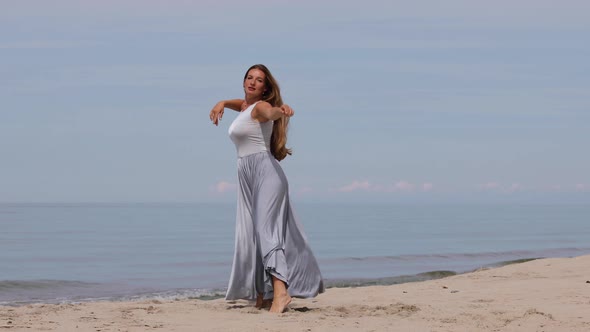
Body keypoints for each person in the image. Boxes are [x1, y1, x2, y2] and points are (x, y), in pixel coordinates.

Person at [209, 64, 324, 313]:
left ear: (265, 88)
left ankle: (281, 293)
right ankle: (264, 295)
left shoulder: (261, 107)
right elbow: (238, 102)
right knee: (252, 233)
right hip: (248, 175)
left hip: (266, 174)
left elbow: (269, 112)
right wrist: (221, 102)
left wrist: (280, 111)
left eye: (259, 80)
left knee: (265, 232)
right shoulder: (244, 106)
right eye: (249, 77)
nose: (252, 82)